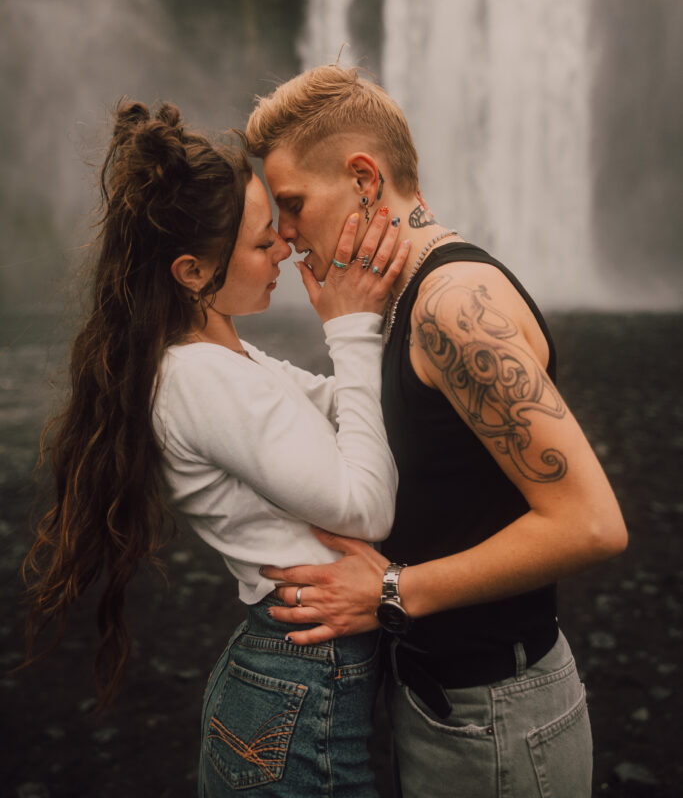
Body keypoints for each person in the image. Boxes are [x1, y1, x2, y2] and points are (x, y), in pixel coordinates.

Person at [243, 64, 628, 798]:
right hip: (455, 703)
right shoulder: (403, 296)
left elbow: (590, 523)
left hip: (497, 718)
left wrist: (388, 590)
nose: (284, 236)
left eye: (292, 204)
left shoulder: (451, 305)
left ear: (363, 178)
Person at [22, 99, 412, 798]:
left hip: (291, 685)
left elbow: (345, 409)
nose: (287, 249)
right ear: (192, 271)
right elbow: (364, 507)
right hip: (293, 693)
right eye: (264, 242)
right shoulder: (200, 378)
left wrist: (378, 313)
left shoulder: (227, 361)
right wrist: (350, 331)